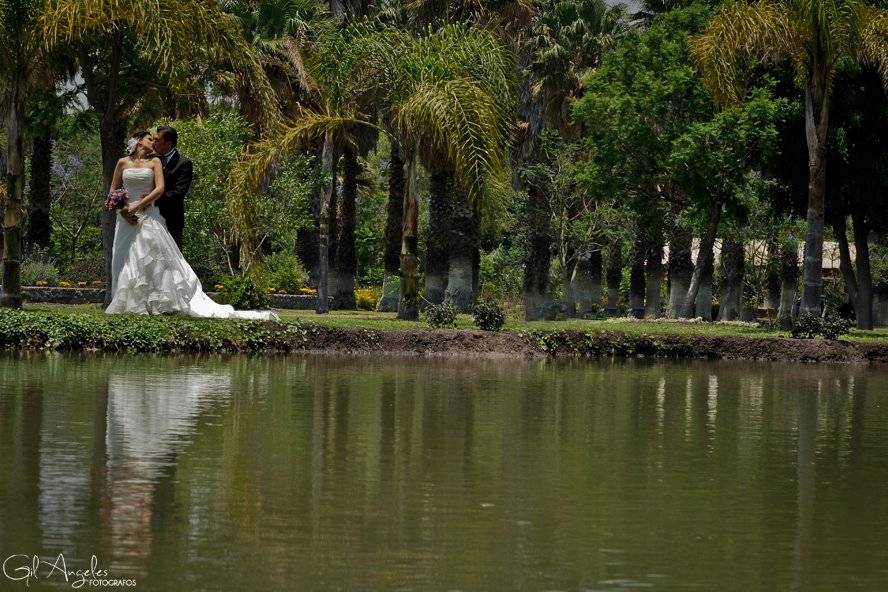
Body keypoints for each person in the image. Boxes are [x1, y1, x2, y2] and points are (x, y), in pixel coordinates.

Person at [105, 130, 276, 320]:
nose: (154, 142)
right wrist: (123, 210)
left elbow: (160, 188)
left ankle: (151, 303)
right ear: (138, 142)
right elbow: (113, 191)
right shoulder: (122, 162)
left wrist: (141, 204)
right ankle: (125, 302)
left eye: (156, 139)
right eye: (150, 139)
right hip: (125, 218)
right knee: (125, 259)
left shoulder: (155, 162)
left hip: (146, 214)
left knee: (149, 258)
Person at [152, 126, 192, 248]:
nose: (153, 143)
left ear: (168, 143)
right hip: (149, 219)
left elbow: (178, 193)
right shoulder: (151, 160)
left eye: (157, 140)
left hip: (171, 221)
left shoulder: (183, 163)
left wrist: (150, 199)